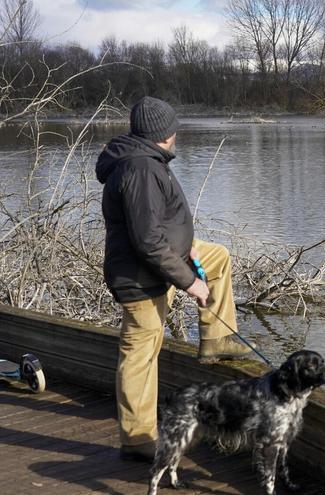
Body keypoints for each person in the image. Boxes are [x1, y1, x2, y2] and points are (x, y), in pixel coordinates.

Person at [95, 96, 252, 462]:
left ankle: (218, 339)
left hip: (152, 261)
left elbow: (158, 224)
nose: (176, 134)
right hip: (137, 277)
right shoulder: (141, 170)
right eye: (174, 129)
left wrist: (188, 248)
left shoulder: (146, 159)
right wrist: (189, 282)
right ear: (165, 134)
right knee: (140, 354)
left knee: (217, 257)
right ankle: (137, 439)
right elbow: (147, 240)